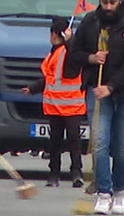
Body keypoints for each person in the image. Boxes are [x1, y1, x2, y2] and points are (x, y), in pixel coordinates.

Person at [67, 0, 124, 215]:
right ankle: (104, 191)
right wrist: (91, 59)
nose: (108, 7)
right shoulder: (90, 21)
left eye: (112, 2)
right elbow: (74, 53)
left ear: (119, 1)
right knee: (99, 143)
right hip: (96, 90)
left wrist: (111, 87)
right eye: (104, 2)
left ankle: (120, 190)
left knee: (121, 146)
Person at [23, 16, 85, 188]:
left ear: (54, 34)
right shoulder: (54, 52)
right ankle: (56, 174)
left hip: (71, 105)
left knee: (69, 140)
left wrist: (70, 39)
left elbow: (74, 59)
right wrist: (33, 88)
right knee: (58, 141)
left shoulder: (69, 50)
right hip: (56, 105)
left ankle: (74, 173)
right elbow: (50, 78)